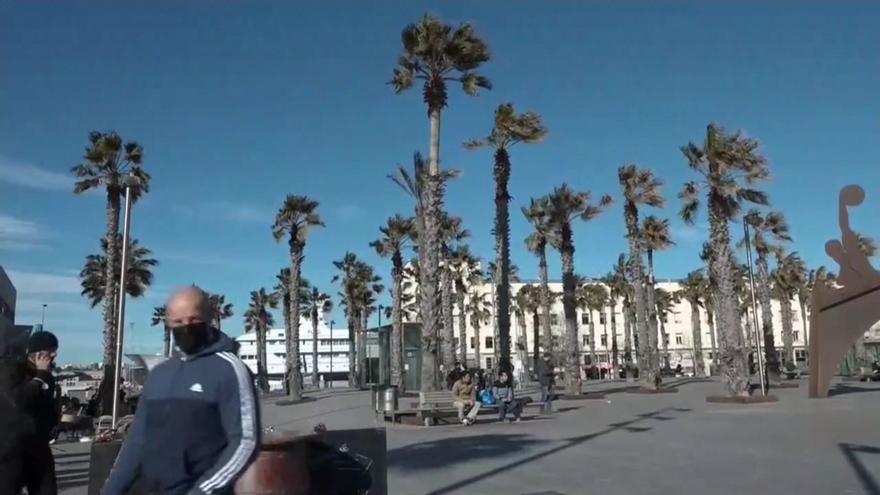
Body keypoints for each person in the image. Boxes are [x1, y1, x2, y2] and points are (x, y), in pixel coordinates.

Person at [103, 286, 261, 495]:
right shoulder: (160, 374)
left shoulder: (230, 369)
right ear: (168, 323)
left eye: (194, 319)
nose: (186, 326)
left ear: (208, 318)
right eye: (178, 322)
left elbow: (245, 441)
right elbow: (136, 442)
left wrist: (202, 491)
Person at [20, 331, 61, 495]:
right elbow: (23, 400)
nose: (54, 354)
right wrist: (40, 375)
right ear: (38, 353)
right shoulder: (18, 372)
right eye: (50, 350)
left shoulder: (50, 378)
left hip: (41, 444)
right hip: (18, 444)